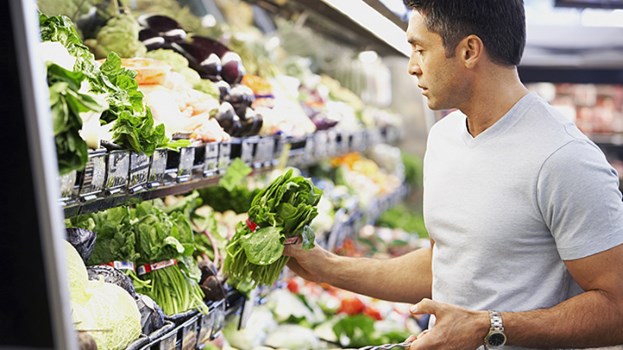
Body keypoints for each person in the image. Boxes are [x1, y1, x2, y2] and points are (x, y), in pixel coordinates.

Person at [283, 1, 623, 349]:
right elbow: (441, 265)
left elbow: (617, 309)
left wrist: (487, 326)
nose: (411, 68)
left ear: (469, 51)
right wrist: (326, 267)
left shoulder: (564, 159)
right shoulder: (444, 139)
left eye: (419, 49)